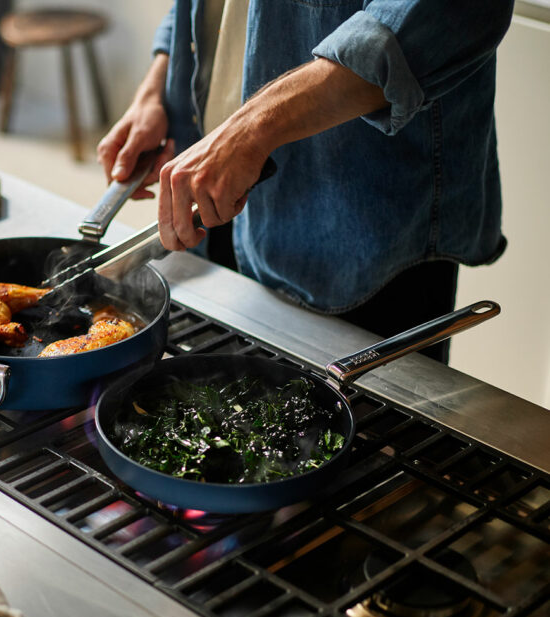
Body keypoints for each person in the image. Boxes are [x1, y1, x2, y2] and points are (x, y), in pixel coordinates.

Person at [97, 1, 514, 363]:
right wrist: (157, 82)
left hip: (367, 227)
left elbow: (447, 10)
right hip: (217, 186)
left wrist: (251, 128)